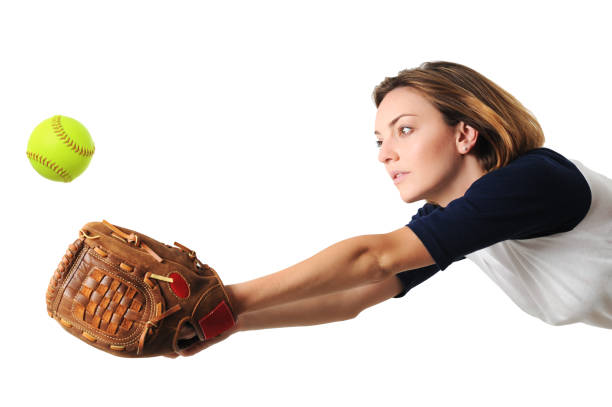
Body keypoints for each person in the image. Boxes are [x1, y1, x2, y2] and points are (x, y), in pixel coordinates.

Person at [172, 61, 611, 357]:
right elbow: (353, 296)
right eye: (381, 140)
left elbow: (373, 259)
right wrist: (225, 323)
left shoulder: (534, 180)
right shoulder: (460, 219)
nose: (386, 154)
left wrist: (220, 300)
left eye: (405, 130)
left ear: (464, 134)